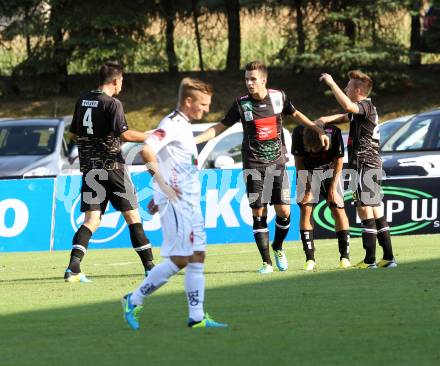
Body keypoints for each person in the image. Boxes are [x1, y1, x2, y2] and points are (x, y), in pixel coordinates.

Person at [195, 60, 329, 274]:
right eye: (247, 79)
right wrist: (196, 140)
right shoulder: (241, 104)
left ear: (264, 80)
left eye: (253, 79)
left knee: (284, 211)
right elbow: (220, 126)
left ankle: (277, 246)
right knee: (259, 212)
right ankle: (266, 262)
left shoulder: (279, 97)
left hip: (277, 164)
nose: (249, 83)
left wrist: (317, 129)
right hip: (253, 165)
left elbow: (296, 114)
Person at [122, 78, 227, 330]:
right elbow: (147, 150)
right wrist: (163, 186)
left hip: (187, 202)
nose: (206, 110)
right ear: (188, 101)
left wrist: (160, 191)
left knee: (196, 256)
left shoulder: (183, 125)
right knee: (182, 258)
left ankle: (196, 317)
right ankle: (133, 299)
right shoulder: (172, 123)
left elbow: (172, 162)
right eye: (203, 104)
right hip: (179, 203)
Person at [64, 61, 155, 283]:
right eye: (122, 80)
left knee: (91, 220)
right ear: (115, 80)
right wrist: (154, 136)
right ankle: (150, 268)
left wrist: (91, 143)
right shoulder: (113, 104)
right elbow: (125, 135)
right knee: (133, 217)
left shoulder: (82, 100)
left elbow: (73, 134)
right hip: (113, 168)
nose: (121, 83)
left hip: (90, 170)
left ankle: (73, 268)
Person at [317, 70, 397, 269]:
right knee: (375, 209)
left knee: (363, 209)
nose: (345, 88)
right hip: (369, 162)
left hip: (363, 163)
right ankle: (388, 257)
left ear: (358, 90)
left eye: (348, 86)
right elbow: (346, 115)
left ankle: (370, 260)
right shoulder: (365, 109)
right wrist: (326, 119)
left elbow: (347, 106)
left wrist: (331, 83)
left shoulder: (364, 106)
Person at [292, 125, 351, 270]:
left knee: (337, 208)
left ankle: (345, 257)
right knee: (306, 210)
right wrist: (307, 188)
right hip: (307, 172)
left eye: (315, 149)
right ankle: (310, 259)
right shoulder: (298, 133)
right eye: (309, 149)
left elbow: (339, 162)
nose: (312, 152)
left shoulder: (334, 133)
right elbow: (298, 161)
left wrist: (332, 189)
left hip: (331, 172)